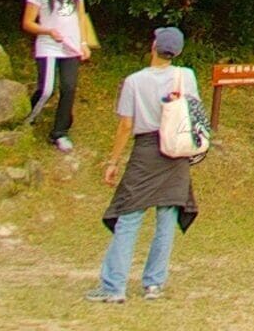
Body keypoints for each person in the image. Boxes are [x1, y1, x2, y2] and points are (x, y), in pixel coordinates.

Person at [91, 25, 203, 304]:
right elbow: (194, 112)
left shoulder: (134, 81)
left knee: (128, 218)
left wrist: (113, 161)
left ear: (153, 47)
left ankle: (114, 286)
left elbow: (126, 125)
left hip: (145, 151)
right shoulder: (185, 76)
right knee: (166, 218)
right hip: (175, 152)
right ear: (175, 52)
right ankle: (153, 284)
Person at [23, 0, 95, 152]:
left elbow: (80, 17)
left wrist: (84, 43)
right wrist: (47, 31)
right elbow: (28, 23)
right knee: (46, 89)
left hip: (70, 47)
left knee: (69, 88)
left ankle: (60, 132)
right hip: (48, 46)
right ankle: (28, 118)